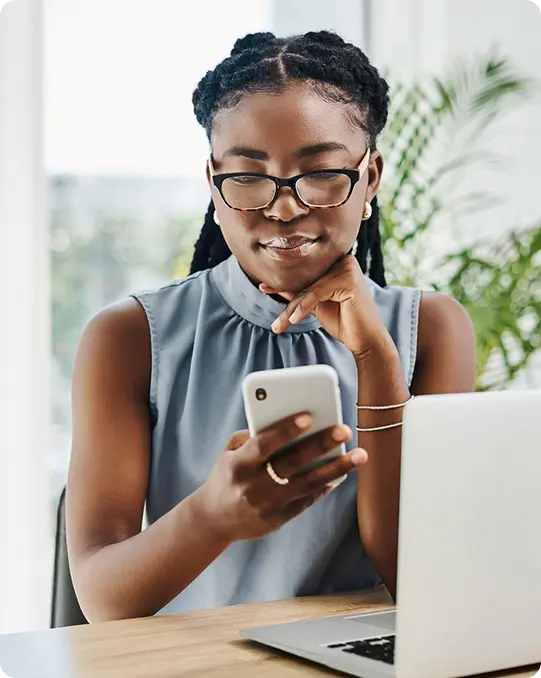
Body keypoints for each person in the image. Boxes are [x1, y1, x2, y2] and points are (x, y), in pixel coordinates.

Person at [66, 30, 476, 622]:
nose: (284, 207)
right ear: (213, 183)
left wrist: (378, 363)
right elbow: (103, 600)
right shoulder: (130, 338)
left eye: (322, 173)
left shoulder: (431, 328)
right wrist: (212, 516)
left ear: (370, 179)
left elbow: (420, 582)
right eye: (248, 176)